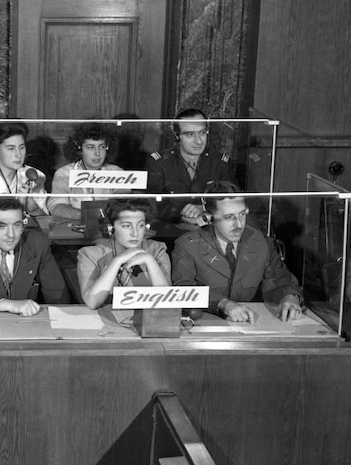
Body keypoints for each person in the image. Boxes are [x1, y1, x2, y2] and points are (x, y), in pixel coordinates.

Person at [172, 182, 304, 322]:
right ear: (209, 218)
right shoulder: (187, 245)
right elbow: (183, 290)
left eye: (242, 214)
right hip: (204, 324)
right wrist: (222, 304)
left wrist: (289, 297)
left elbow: (281, 280)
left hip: (251, 324)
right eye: (229, 217)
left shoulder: (261, 243)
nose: (239, 224)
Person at [0, 197, 68, 316]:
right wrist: (6, 304)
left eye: (17, 225)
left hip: (28, 324)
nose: (11, 235)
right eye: (2, 226)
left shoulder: (36, 243)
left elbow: (57, 293)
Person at [77, 199, 171, 309]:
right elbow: (92, 302)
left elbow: (167, 304)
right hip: (107, 321)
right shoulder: (90, 254)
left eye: (140, 225)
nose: (135, 233)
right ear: (110, 227)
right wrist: (117, 261)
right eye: (126, 226)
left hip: (147, 321)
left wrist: (150, 261)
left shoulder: (157, 250)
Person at [146, 108, 235, 224]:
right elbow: (150, 205)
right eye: (190, 135)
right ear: (177, 135)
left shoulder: (220, 163)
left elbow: (232, 201)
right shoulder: (159, 163)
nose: (198, 141)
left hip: (210, 230)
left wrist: (204, 209)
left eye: (202, 133)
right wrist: (182, 212)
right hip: (168, 231)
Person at [47, 122, 126, 219]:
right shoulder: (65, 173)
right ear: (79, 149)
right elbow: (56, 206)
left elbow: (124, 205)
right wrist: (86, 216)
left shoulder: (117, 173)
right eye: (90, 147)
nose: (97, 153)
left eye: (102, 147)